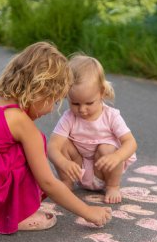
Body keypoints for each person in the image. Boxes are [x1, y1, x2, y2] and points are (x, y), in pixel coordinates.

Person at [0, 42, 112, 235]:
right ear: (39, 92)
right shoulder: (20, 122)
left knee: (11, 149)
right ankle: (11, 215)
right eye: (54, 101)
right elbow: (47, 182)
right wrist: (89, 212)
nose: (52, 109)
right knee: (28, 151)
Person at [48, 54, 137, 204]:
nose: (82, 110)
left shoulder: (111, 116)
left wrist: (117, 157)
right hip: (78, 170)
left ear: (101, 92)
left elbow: (130, 143)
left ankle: (113, 186)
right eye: (75, 103)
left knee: (107, 147)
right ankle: (66, 183)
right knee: (63, 143)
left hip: (102, 171)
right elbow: (52, 147)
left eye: (89, 103)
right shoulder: (69, 117)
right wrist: (64, 163)